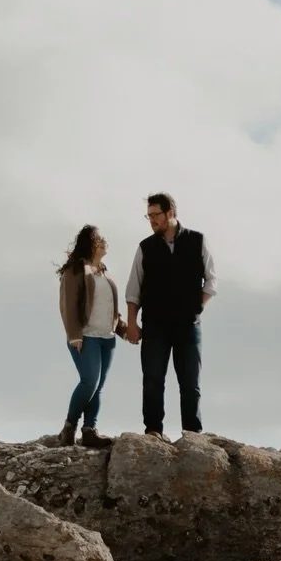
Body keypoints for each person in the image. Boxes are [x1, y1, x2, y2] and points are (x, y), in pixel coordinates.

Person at [125, 192, 216, 437]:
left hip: (188, 325)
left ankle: (192, 434)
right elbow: (133, 289)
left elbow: (211, 281)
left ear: (171, 213)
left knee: (190, 383)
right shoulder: (145, 247)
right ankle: (153, 431)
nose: (152, 220)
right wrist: (131, 322)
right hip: (155, 325)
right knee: (153, 380)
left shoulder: (198, 240)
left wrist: (196, 307)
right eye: (149, 215)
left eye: (156, 215)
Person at [57, 224, 124, 448]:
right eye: (100, 238)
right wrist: (74, 335)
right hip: (85, 336)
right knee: (89, 382)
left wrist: (125, 330)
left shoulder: (104, 271)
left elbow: (110, 308)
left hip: (107, 337)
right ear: (92, 242)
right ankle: (68, 428)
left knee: (99, 385)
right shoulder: (75, 270)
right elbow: (68, 304)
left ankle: (89, 431)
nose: (105, 242)